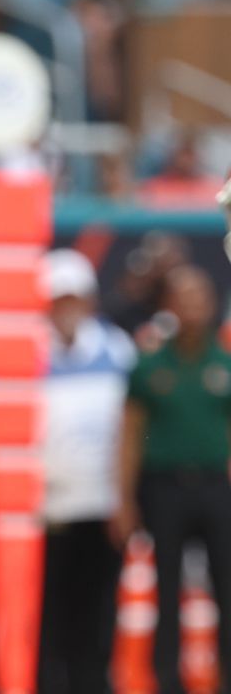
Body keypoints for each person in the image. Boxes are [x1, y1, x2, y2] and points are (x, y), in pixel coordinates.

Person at [112, 265, 231, 694]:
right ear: (170, 306)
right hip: (165, 489)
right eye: (184, 297)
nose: (193, 305)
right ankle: (166, 682)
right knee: (165, 593)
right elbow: (128, 436)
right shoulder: (149, 366)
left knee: (227, 591)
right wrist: (124, 501)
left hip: (218, 489)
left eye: (200, 295)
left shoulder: (225, 362)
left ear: (212, 301)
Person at [39, 249, 136, 694]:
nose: (67, 308)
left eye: (75, 298)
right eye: (59, 299)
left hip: (103, 508)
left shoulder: (118, 349)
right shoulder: (28, 354)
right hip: (46, 511)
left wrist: (125, 500)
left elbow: (130, 433)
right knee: (51, 617)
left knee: (98, 614)